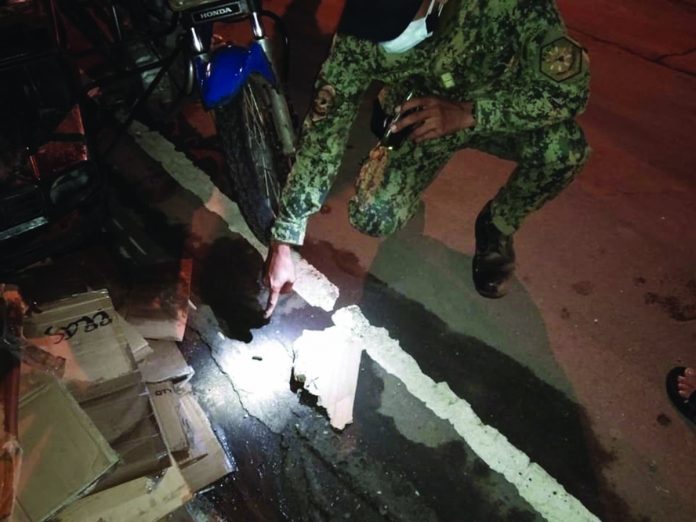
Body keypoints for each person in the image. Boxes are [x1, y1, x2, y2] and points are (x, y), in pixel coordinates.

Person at [263, 0, 591, 317]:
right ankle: (388, 114)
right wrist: (284, 238)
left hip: (497, 110)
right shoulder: (359, 28)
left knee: (564, 150)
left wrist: (470, 113)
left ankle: (498, 223)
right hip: (419, 118)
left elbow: (569, 90)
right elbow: (324, 132)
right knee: (373, 216)